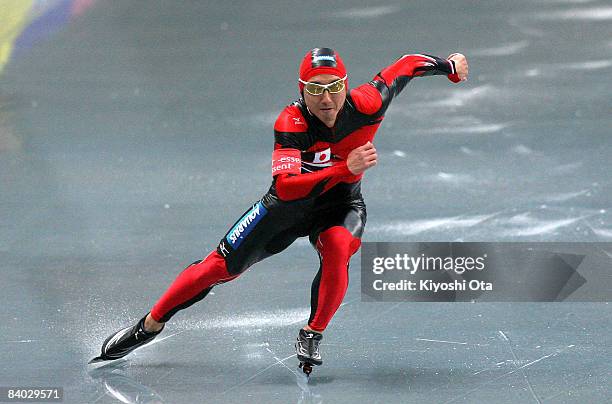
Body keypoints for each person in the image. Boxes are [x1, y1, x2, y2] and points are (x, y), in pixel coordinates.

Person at [91, 47, 469, 372]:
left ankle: (313, 333)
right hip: (286, 208)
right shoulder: (291, 122)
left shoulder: (367, 103)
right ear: (302, 91)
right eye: (316, 90)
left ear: (346, 85)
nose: (326, 100)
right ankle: (149, 325)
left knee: (338, 250)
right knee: (218, 268)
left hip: (339, 205)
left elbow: (406, 65)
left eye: (334, 87)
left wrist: (448, 66)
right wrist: (344, 168)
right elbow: (286, 188)